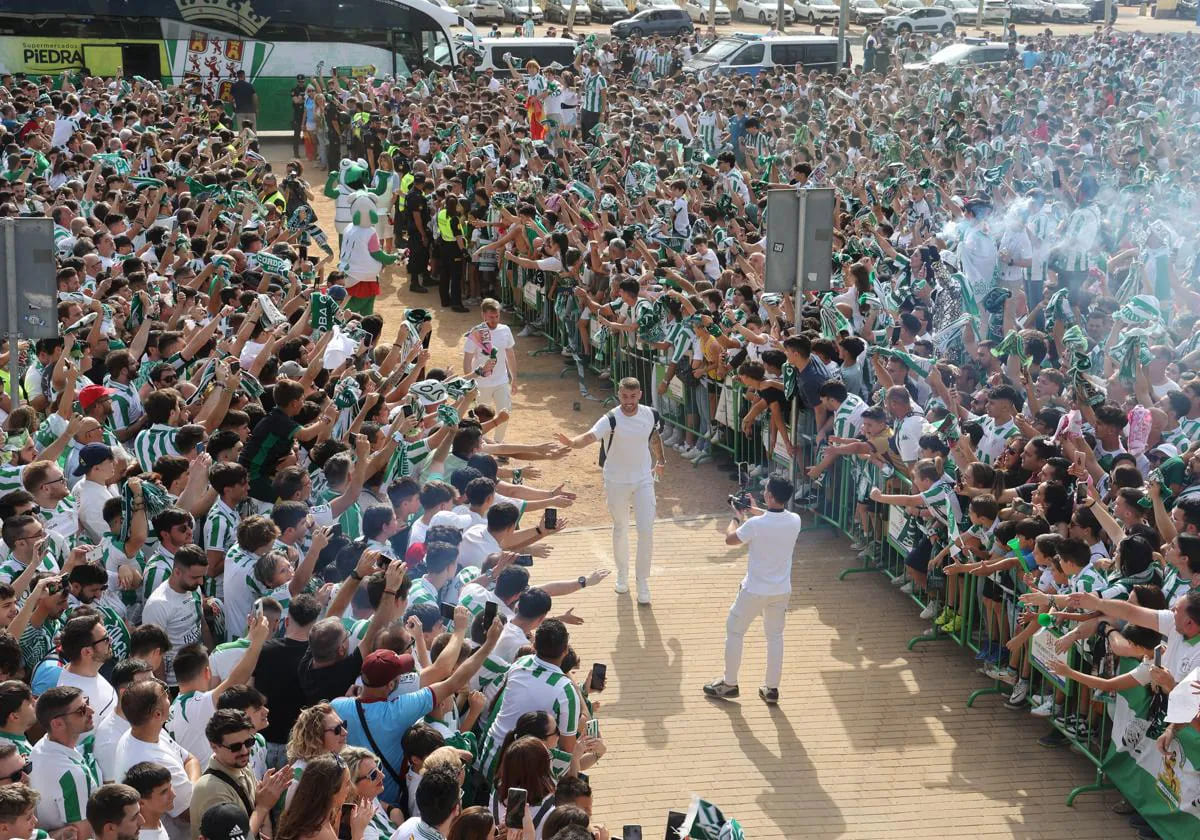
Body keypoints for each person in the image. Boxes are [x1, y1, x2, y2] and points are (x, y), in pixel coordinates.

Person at [555, 377, 663, 603]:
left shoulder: (651, 414)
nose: (629, 401)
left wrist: (661, 461)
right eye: (624, 396)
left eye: (633, 396)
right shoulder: (610, 418)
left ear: (640, 395)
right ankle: (622, 575)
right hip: (616, 481)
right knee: (621, 527)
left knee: (646, 530)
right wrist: (572, 442)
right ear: (619, 394)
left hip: (644, 479)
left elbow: (654, 438)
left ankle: (642, 581)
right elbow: (589, 436)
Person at [703, 474, 803, 705]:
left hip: (754, 590)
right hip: (781, 591)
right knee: (775, 637)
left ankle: (729, 683)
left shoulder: (755, 525)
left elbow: (730, 539)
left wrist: (737, 517)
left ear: (769, 495)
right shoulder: (795, 520)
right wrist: (754, 509)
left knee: (735, 631)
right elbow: (773, 520)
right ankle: (771, 689)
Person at [190, 709, 291, 840]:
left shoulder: (242, 766)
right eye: (235, 747)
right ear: (214, 746)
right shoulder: (211, 790)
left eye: (249, 743)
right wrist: (263, 807)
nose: (244, 751)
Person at [29, 686, 99, 835]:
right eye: (81, 710)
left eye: (87, 703)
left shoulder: (40, 747)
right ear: (57, 724)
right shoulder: (73, 774)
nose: (91, 711)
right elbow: (82, 834)